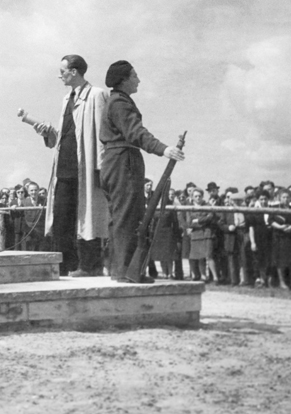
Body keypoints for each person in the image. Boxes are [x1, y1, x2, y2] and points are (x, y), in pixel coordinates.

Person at [22, 54, 110, 277]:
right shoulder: (65, 99)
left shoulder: (97, 95)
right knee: (61, 220)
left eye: (62, 71)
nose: (59, 75)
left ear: (74, 71)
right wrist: (45, 131)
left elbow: (103, 135)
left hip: (86, 169)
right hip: (63, 169)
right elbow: (63, 137)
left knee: (87, 216)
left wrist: (101, 169)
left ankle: (90, 266)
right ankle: (65, 266)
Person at [98, 60, 185, 284]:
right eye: (134, 76)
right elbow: (136, 132)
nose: (138, 80)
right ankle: (125, 271)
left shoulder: (116, 101)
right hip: (122, 162)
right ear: (124, 80)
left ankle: (121, 270)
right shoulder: (120, 103)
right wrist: (163, 149)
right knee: (128, 217)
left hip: (114, 161)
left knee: (120, 217)